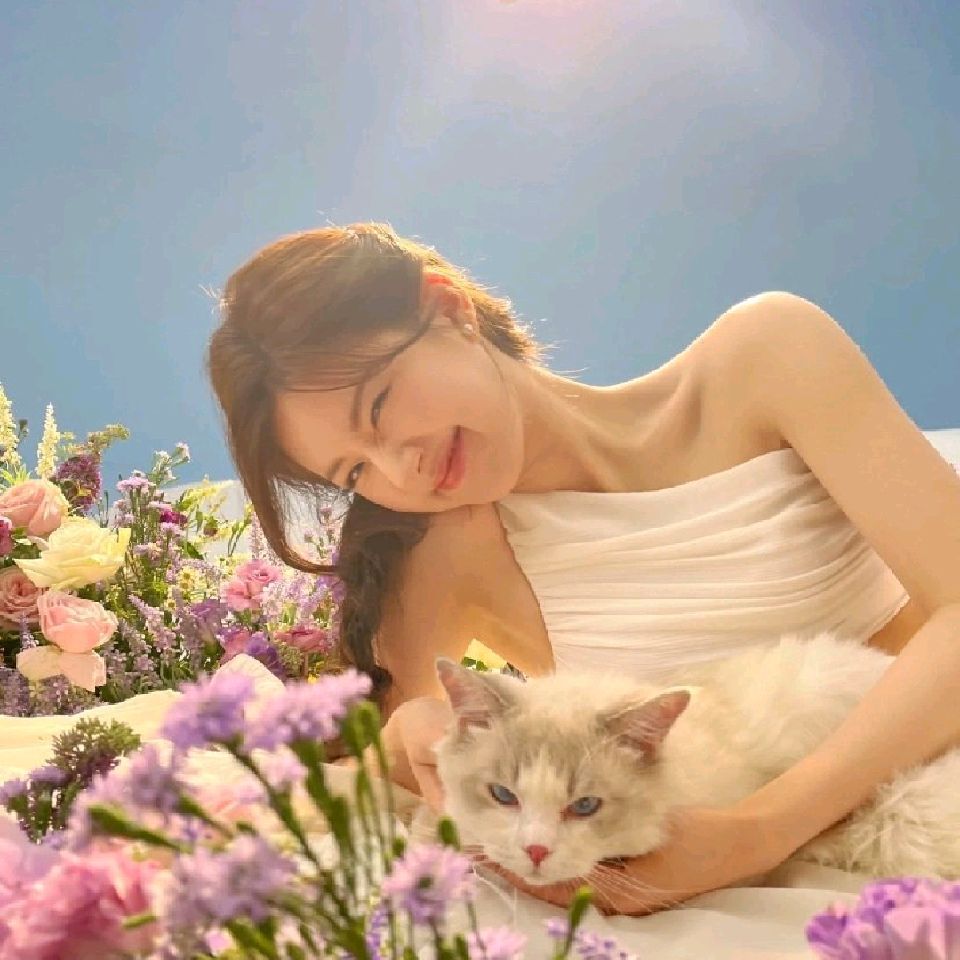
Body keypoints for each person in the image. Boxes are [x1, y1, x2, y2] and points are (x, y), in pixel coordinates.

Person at [206, 221, 960, 915]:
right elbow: (384, 763)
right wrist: (412, 730)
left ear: (449, 310)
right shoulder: (445, 546)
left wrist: (757, 832)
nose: (401, 470)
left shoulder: (765, 357)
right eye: (354, 472)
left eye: (378, 408)